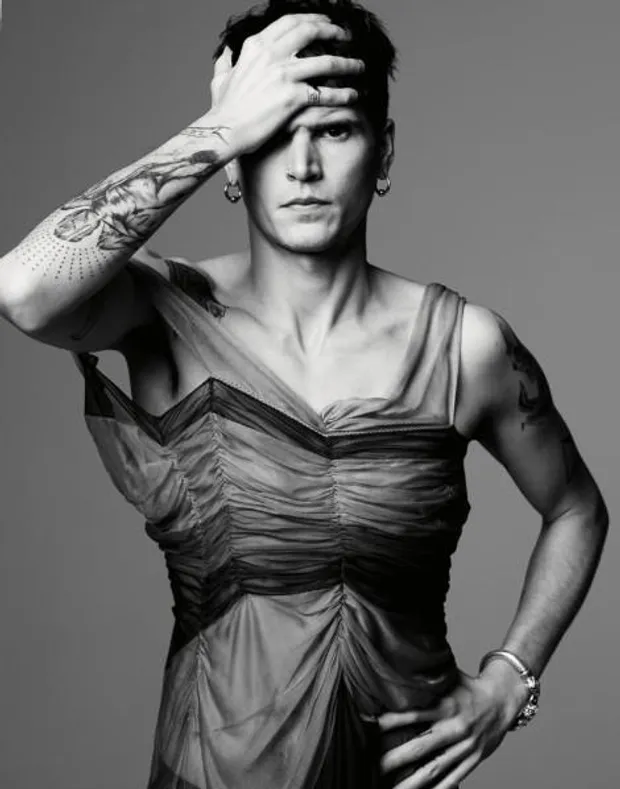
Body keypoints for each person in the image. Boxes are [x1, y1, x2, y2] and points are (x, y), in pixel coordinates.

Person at [0, 0, 608, 787]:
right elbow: (23, 291)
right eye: (273, 134)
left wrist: (510, 679)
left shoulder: (468, 345)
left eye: (335, 130)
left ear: (383, 151)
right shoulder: (166, 314)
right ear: (234, 161)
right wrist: (218, 128)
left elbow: (577, 509)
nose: (303, 167)